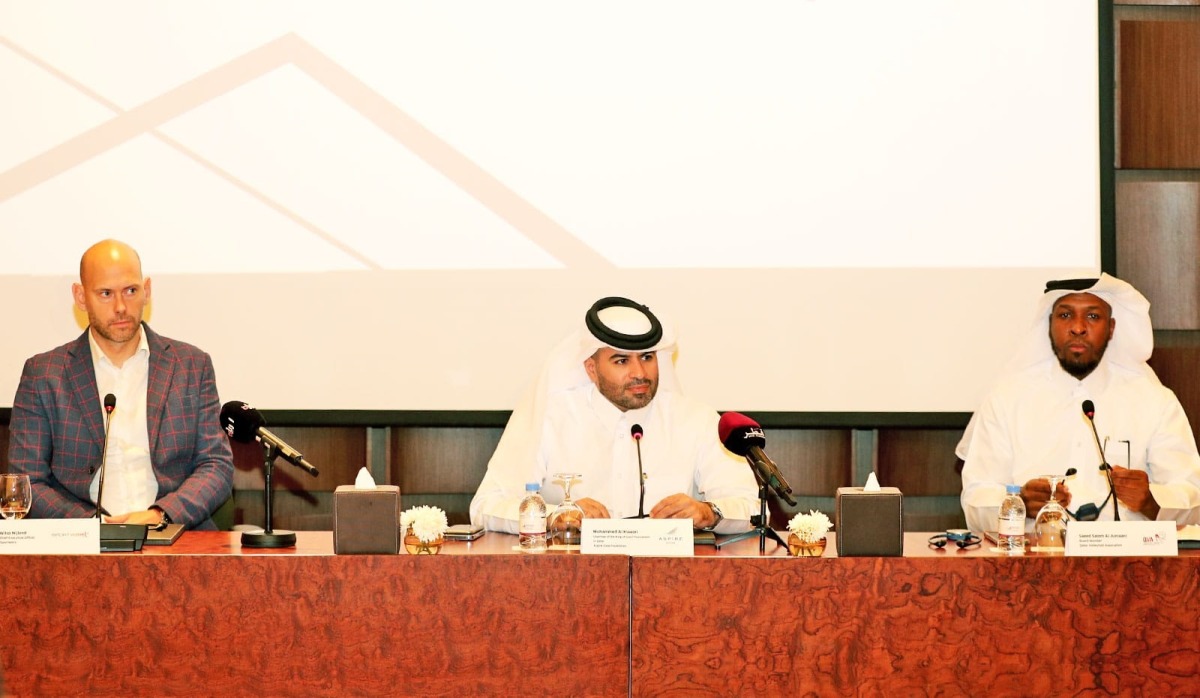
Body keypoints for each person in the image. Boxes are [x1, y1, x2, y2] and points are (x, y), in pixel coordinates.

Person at [470, 296, 758, 534]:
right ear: (591, 369)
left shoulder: (696, 420)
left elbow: (751, 506)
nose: (639, 373)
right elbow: (485, 506)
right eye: (621, 361)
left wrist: (709, 512)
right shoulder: (552, 418)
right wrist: (557, 515)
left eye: (647, 358)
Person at [7, 239, 233, 529]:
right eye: (105, 293)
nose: (120, 307)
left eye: (131, 291)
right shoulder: (43, 374)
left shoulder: (190, 365)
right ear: (80, 296)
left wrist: (160, 514)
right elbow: (27, 481)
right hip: (81, 543)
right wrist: (91, 526)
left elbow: (216, 465)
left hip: (172, 536)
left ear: (147, 290)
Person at [959, 274, 1200, 532]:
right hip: (1031, 566)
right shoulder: (1007, 399)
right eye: (1065, 316)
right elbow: (976, 500)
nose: (1078, 327)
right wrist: (1018, 504)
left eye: (1093, 316)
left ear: (1111, 328)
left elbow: (1191, 495)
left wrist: (1152, 501)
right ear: (1049, 324)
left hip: (1129, 567)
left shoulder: (1154, 401)